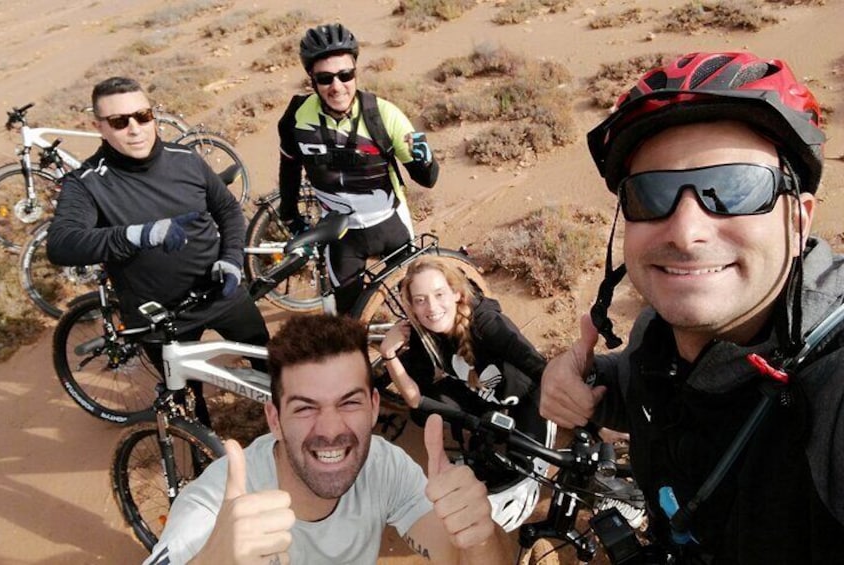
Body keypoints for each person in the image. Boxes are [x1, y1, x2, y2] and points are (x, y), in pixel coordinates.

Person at [541, 52, 844, 563]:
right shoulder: (651, 333)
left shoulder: (832, 383)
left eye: (733, 189)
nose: (685, 232)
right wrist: (589, 384)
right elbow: (672, 387)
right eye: (650, 194)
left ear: (799, 219)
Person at [144, 314, 510, 564]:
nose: (330, 429)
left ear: (373, 407)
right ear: (274, 418)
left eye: (349, 402)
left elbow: (464, 558)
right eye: (305, 408)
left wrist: (480, 536)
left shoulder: (383, 467)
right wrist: (209, 561)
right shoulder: (215, 506)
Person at [47, 76, 268, 426]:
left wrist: (231, 260)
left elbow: (227, 210)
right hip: (160, 318)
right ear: (99, 127)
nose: (135, 129)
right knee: (191, 412)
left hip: (221, 293)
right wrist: (138, 235)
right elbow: (61, 244)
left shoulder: (186, 160)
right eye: (120, 122)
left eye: (143, 116)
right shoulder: (87, 183)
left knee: (272, 370)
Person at [379, 256, 553, 531]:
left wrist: (589, 421)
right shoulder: (426, 336)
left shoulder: (486, 323)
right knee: (426, 409)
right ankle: (485, 437)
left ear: (456, 293)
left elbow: (541, 369)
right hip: (490, 407)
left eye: (439, 295)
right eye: (420, 300)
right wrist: (389, 354)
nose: (432, 308)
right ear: (411, 306)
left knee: (518, 480)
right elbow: (414, 399)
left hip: (528, 403)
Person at [278, 23, 439, 313]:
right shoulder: (295, 119)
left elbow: (427, 179)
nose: (337, 86)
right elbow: (289, 169)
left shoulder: (383, 114)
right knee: (350, 320)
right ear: (312, 81)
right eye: (325, 78)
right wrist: (289, 215)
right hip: (341, 234)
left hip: (391, 224)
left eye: (345, 75)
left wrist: (422, 158)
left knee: (416, 308)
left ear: (355, 71)